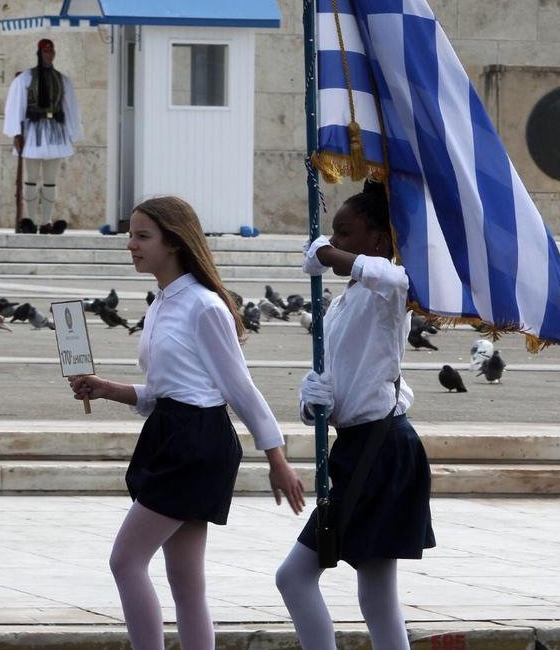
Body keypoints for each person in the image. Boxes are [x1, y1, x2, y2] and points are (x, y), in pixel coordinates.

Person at [68, 195, 304, 650]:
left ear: (174, 243)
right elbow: (166, 391)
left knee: (126, 561)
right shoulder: (160, 303)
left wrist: (277, 457)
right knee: (185, 579)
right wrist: (106, 388)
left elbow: (240, 389)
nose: (131, 245)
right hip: (173, 433)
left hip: (197, 443)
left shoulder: (205, 306)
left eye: (142, 236)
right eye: (130, 236)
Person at [276, 180, 435, 650]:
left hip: (382, 449)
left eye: (344, 234)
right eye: (332, 233)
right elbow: (339, 385)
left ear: (379, 241)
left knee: (295, 576)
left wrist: (325, 254)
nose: (335, 241)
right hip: (361, 445)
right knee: (376, 592)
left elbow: (399, 280)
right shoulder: (345, 302)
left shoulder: (389, 290)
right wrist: (314, 399)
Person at [3, 38, 83, 234]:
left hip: (55, 132)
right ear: (39, 54)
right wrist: (16, 133)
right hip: (32, 133)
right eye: (46, 51)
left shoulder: (63, 80)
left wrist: (73, 132)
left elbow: (70, 107)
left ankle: (46, 220)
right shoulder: (25, 79)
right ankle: (29, 220)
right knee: (30, 179)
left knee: (50, 179)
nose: (49, 54)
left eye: (51, 51)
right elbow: (16, 106)